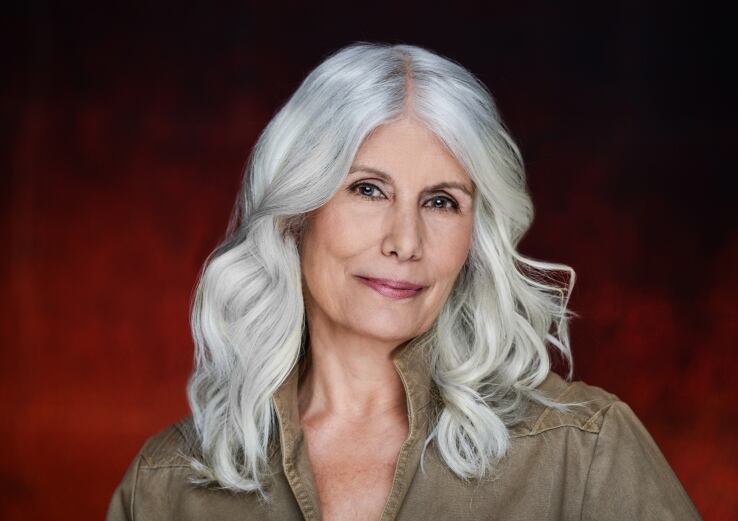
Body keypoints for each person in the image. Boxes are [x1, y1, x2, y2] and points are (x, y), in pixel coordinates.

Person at [106, 42, 701, 521]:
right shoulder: (169, 487)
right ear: (295, 214)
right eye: (368, 189)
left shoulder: (584, 451)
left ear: (475, 237)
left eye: (442, 201)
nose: (405, 241)